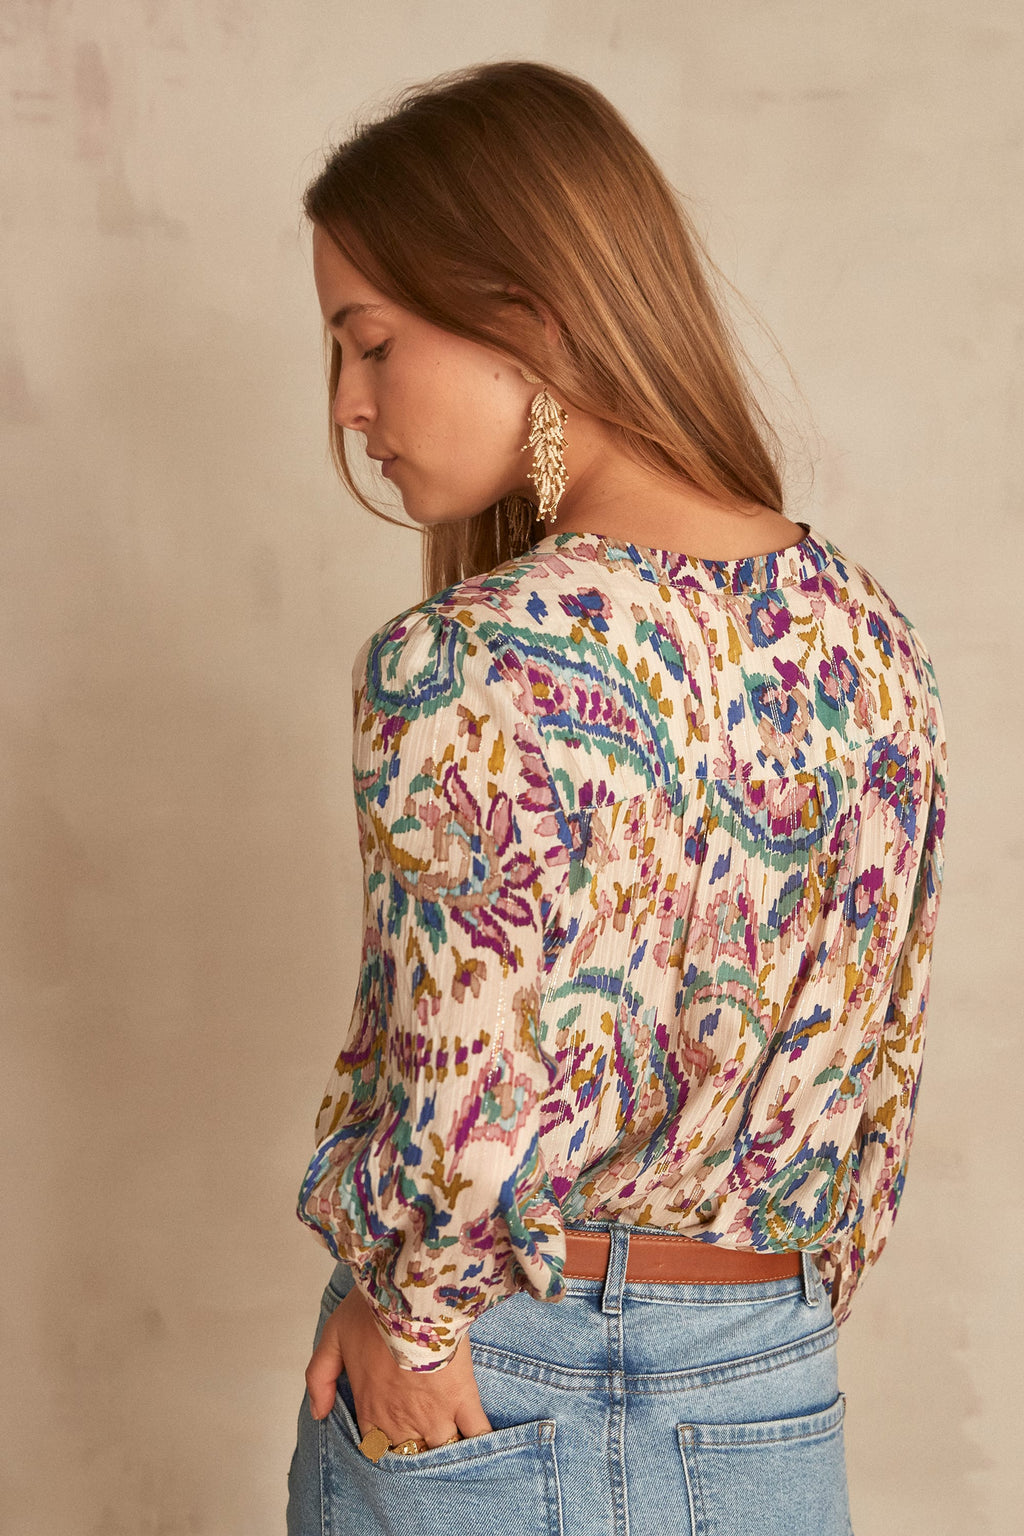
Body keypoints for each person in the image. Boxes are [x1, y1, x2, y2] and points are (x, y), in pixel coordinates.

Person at [285, 60, 946, 1536]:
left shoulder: (463, 659)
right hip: (766, 1381)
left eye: (372, 343)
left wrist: (412, 1313)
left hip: (478, 1375)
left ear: (529, 319)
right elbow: (878, 1066)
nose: (350, 406)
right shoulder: (868, 639)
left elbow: (462, 1077)